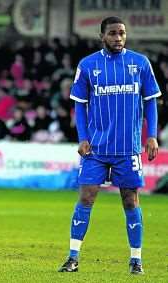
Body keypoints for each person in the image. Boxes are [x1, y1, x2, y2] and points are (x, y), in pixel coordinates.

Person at [58, 17, 161, 275]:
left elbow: (150, 101)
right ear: (102, 36)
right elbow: (79, 105)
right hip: (96, 149)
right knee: (86, 197)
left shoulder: (140, 63)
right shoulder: (88, 65)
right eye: (113, 34)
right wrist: (82, 137)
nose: (118, 38)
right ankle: (73, 257)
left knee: (130, 201)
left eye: (122, 33)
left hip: (128, 149)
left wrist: (152, 135)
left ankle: (136, 260)